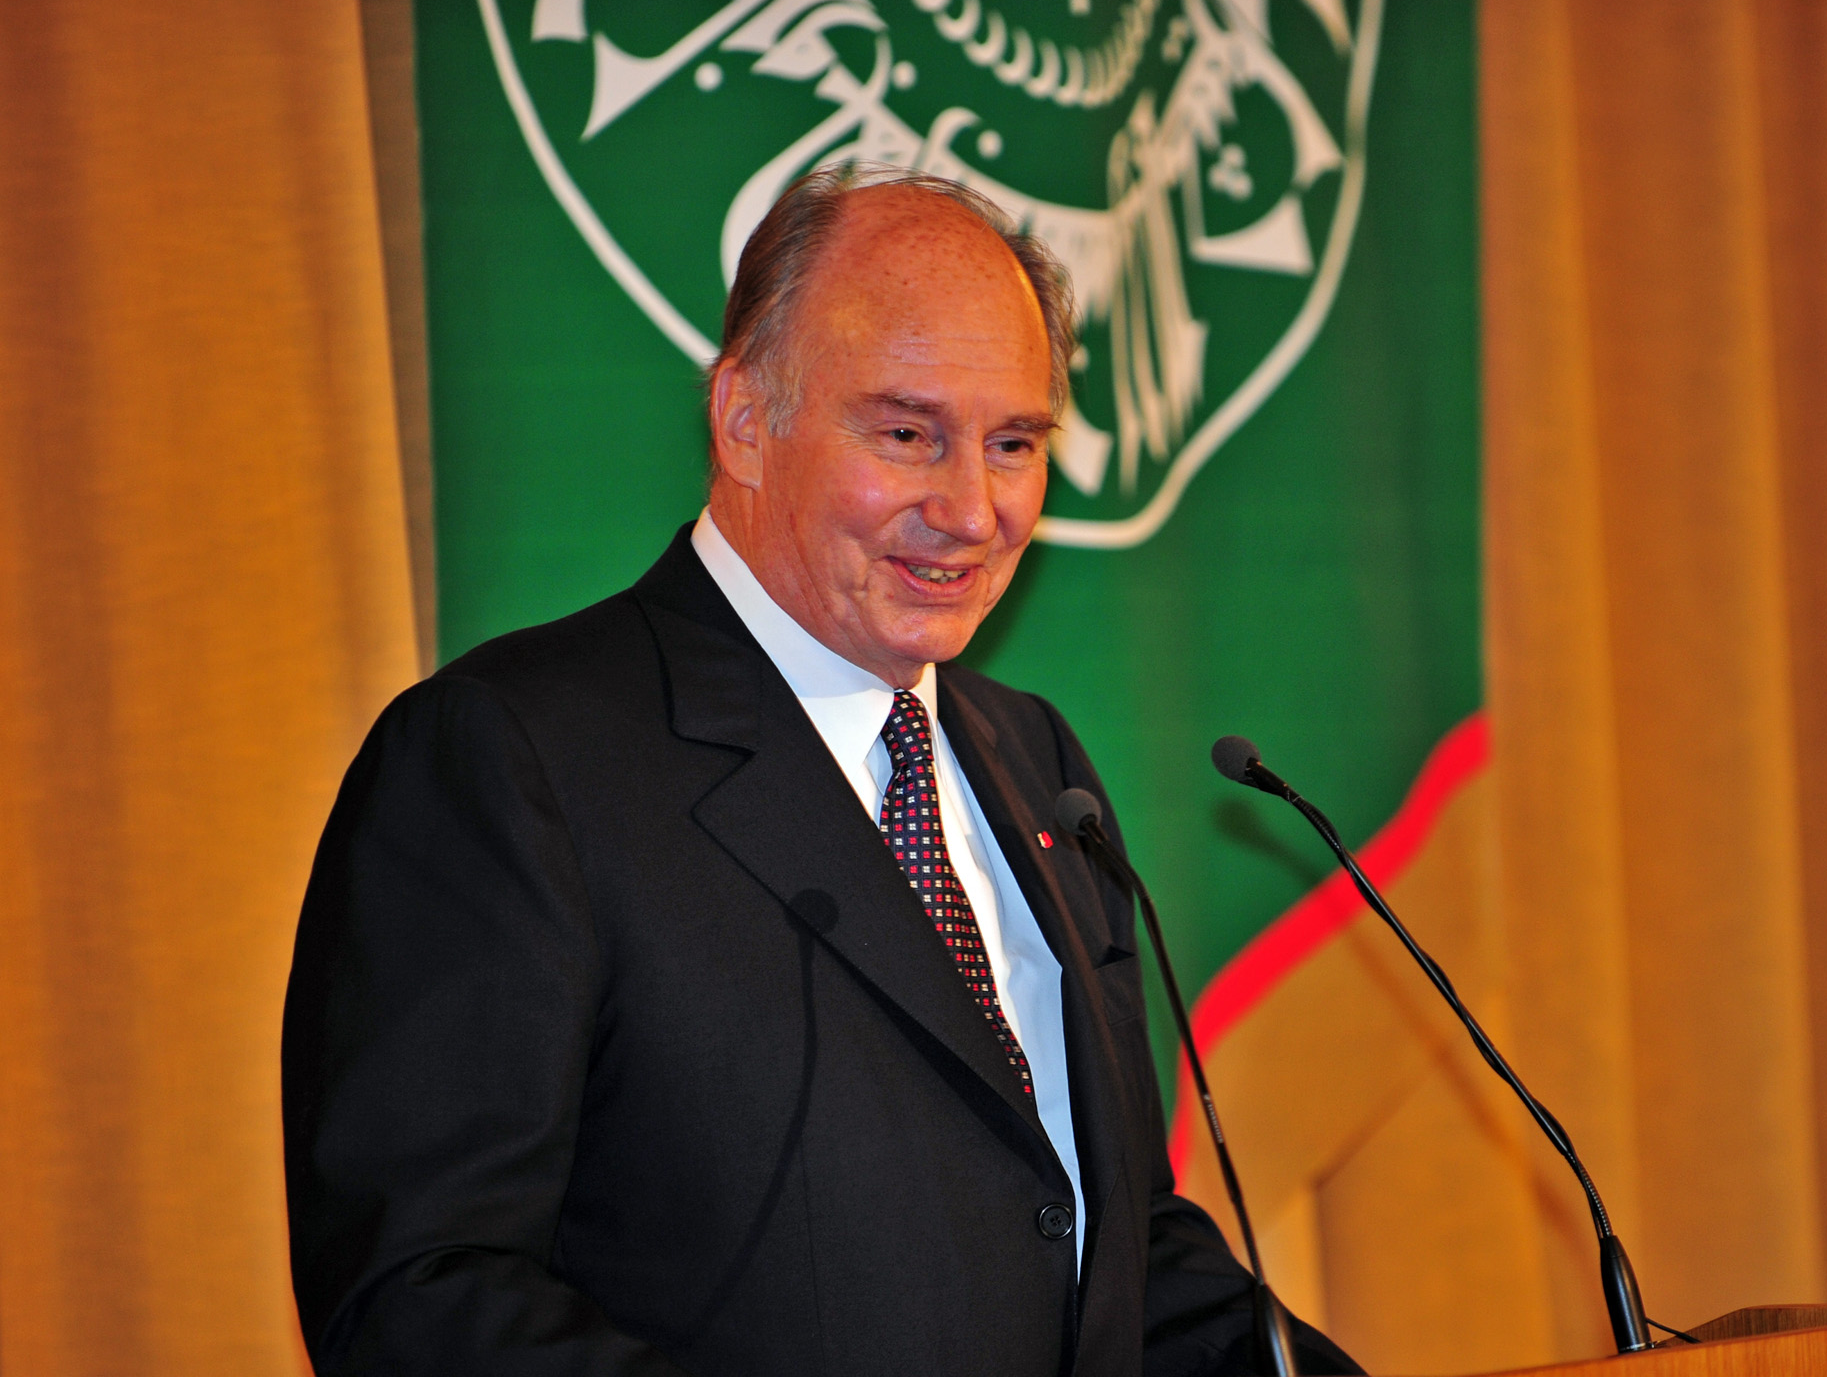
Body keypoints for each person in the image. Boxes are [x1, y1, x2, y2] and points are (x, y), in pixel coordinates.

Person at [282, 165, 1359, 1377]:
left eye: (1014, 442)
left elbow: (1110, 1249)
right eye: (908, 433)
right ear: (745, 417)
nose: (972, 508)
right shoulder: (510, 758)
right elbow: (421, 1293)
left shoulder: (1036, 758)